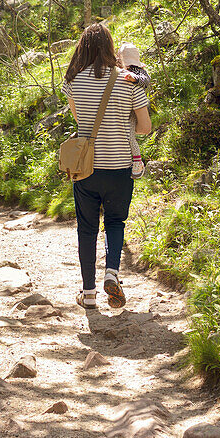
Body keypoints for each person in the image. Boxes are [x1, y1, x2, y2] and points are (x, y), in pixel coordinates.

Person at [61, 23, 151, 310]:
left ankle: (88, 294)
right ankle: (112, 273)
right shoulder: (128, 80)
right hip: (119, 167)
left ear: (83, 47)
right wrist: (125, 121)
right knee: (115, 222)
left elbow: (80, 121)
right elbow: (146, 128)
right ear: (110, 47)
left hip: (85, 168)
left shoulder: (73, 80)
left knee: (86, 229)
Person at [117, 43, 151, 179]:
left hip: (136, 108)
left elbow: (145, 80)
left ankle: (137, 160)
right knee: (127, 134)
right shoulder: (120, 71)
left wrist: (134, 78)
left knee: (130, 136)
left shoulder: (138, 71)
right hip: (126, 107)